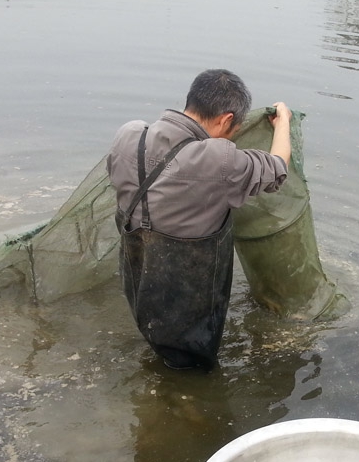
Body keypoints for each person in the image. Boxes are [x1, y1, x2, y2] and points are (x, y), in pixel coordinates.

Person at [108, 69, 292, 371]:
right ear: (225, 120)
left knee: (157, 340)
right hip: (188, 294)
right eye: (235, 129)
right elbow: (276, 170)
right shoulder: (219, 159)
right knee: (192, 363)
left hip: (139, 282)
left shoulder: (129, 135)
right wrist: (282, 122)